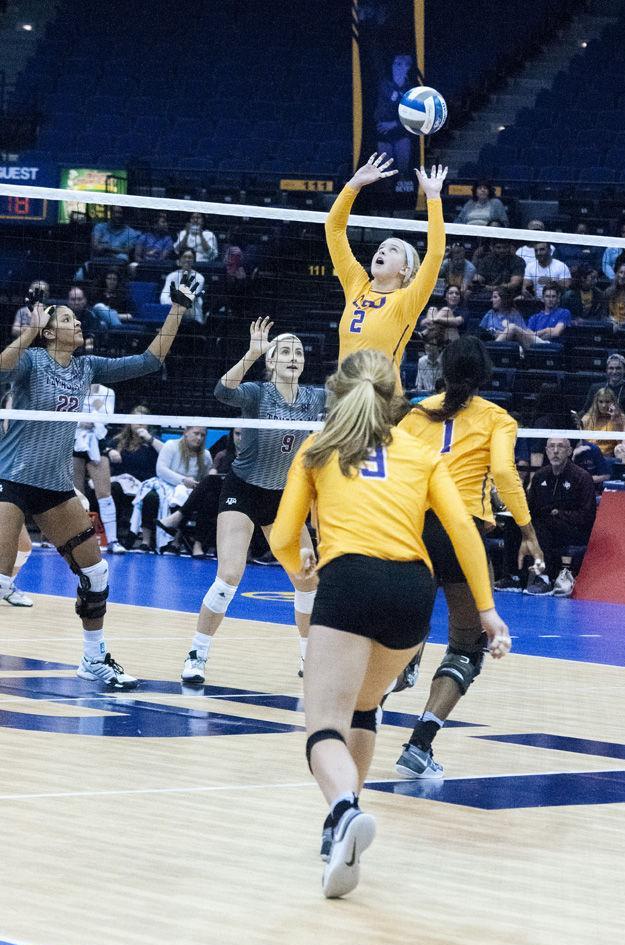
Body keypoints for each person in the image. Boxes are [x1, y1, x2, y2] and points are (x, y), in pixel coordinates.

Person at [268, 349, 510, 898]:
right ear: (394, 397)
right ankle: (342, 834)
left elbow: (284, 534)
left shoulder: (320, 448)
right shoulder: (420, 452)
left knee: (323, 724)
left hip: (351, 579)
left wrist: (300, 571)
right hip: (412, 593)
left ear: (338, 390)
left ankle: (344, 810)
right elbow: (465, 531)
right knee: (363, 707)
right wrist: (488, 611)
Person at [0, 276, 198, 688]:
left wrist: (177, 310)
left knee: (96, 574)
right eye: (69, 319)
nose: (78, 324)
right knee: (1, 580)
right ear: (50, 330)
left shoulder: (87, 367)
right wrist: (30, 333)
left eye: (77, 319)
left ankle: (93, 659)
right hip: (12, 477)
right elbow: (1, 366)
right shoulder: (32, 361)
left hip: (54, 486)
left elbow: (150, 360)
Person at [391, 337, 543, 780]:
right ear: (484, 375)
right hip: (462, 532)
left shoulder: (416, 414)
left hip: (413, 528)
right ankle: (419, 745)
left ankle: (395, 673)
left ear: (442, 371)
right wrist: (528, 530)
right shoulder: (497, 418)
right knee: (467, 645)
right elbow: (502, 472)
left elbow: (388, 463)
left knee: (395, 628)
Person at [180, 317, 327, 685]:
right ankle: (197, 655)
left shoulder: (315, 398)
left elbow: (360, 395)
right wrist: (251, 353)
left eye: (297, 352)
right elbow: (222, 391)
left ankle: (310, 660)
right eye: (284, 352)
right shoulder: (257, 394)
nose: (293, 357)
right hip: (243, 489)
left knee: (308, 581)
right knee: (230, 575)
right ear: (272, 362)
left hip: (286, 498)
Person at [325, 153, 447, 390]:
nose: (381, 251)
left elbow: (435, 254)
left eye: (392, 250)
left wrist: (433, 198)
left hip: (383, 403)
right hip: (345, 402)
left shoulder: (407, 300)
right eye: (381, 247)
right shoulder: (357, 285)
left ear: (405, 268)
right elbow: (334, 229)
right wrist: (354, 185)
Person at [523, 438, 597, 598]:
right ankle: (513, 576)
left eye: (560, 447)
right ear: (546, 450)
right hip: (546, 526)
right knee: (516, 522)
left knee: (543, 524)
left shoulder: (582, 477)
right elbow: (530, 507)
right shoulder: (540, 476)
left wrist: (560, 514)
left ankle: (544, 578)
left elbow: (588, 516)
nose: (555, 451)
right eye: (551, 447)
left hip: (575, 530)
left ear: (569, 451)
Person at [159, 429, 241, 558]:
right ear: (232, 435)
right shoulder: (222, 455)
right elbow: (212, 472)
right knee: (207, 497)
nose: (240, 438)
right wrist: (214, 474)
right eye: (237, 434)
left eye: (243, 434)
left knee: (208, 486)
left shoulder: (254, 457)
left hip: (243, 496)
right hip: (222, 496)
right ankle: (197, 545)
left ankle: (179, 517)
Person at [130, 427, 211, 553]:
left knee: (187, 499)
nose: (199, 438)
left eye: (203, 435)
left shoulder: (206, 455)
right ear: (185, 432)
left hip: (188, 490)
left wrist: (192, 485)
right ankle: (145, 542)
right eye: (196, 433)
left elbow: (206, 480)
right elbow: (161, 470)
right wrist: (183, 480)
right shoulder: (171, 446)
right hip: (165, 483)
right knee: (150, 497)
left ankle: (175, 543)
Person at [73, 382, 126, 553]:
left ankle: (113, 540)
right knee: (76, 494)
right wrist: (86, 418)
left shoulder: (108, 392)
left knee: (104, 493)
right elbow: (71, 415)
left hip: (97, 442)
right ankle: (77, 539)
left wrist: (89, 417)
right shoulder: (73, 388)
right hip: (74, 442)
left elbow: (106, 417)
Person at [106, 406, 163, 546]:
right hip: (122, 483)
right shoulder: (118, 440)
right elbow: (103, 447)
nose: (140, 424)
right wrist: (110, 451)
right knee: (112, 489)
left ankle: (144, 541)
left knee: (151, 497)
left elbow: (166, 452)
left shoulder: (154, 441)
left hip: (144, 484)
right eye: (136, 420)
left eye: (144, 421)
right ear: (130, 422)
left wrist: (149, 439)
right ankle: (114, 535)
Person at [374, 54, 413, 180]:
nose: (396, 67)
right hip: (384, 130)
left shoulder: (411, 89)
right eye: (395, 64)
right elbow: (388, 103)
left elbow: (412, 115)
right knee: (385, 171)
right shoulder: (384, 84)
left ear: (407, 67)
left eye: (400, 64)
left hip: (401, 131)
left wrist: (395, 124)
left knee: (403, 170)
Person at [501, 282, 572, 349]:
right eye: (547, 296)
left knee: (512, 327)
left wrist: (536, 334)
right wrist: (546, 330)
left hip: (550, 346)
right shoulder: (535, 317)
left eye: (553, 296)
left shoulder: (564, 312)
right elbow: (528, 334)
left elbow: (556, 333)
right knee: (510, 328)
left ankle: (493, 348)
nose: (550, 299)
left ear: (558, 299)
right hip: (533, 345)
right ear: (543, 298)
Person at [581, 353, 625, 417]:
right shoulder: (595, 388)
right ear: (607, 370)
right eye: (611, 368)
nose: (614, 372)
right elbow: (586, 411)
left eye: (618, 368)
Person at [160, 249, 205, 325]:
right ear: (180, 260)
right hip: (172, 310)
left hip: (192, 313)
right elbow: (163, 297)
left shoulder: (199, 278)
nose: (187, 260)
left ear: (194, 261)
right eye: (184, 257)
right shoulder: (171, 276)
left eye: (190, 257)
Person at [581, 387, 625, 458]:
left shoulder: (622, 418)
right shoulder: (587, 418)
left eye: (607, 402)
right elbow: (582, 443)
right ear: (596, 403)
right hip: (590, 457)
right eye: (601, 401)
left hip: (610, 458)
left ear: (613, 403)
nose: (604, 405)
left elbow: (622, 446)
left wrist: (615, 420)